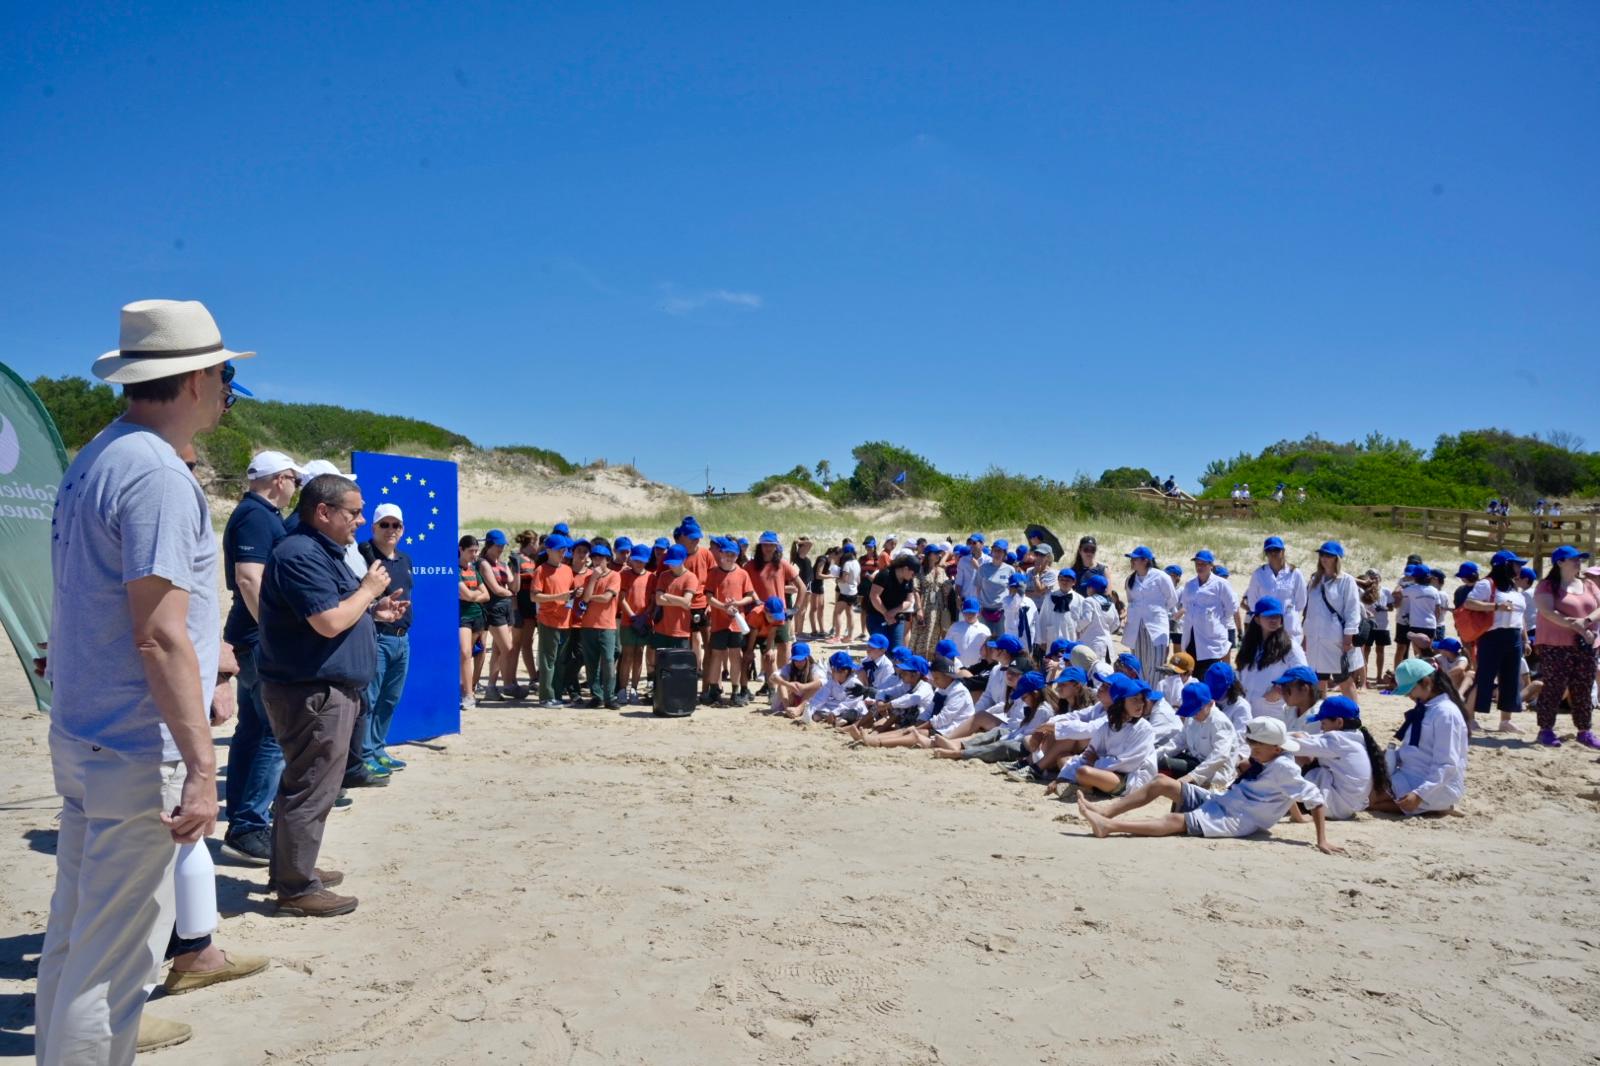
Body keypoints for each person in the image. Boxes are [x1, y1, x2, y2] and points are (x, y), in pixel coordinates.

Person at [38, 299, 257, 1061]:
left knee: (77, 936)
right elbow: (158, 634)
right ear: (196, 379)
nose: (228, 393)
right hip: (135, 745)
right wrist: (201, 766)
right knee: (112, 963)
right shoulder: (158, 472)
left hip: (85, 731)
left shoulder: (97, 456)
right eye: (225, 378)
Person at [257, 473, 407, 916]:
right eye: (354, 512)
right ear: (323, 512)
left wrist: (373, 609)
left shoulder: (321, 552)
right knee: (311, 789)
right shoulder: (301, 554)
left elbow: (337, 611)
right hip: (313, 691)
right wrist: (368, 590)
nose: (361, 520)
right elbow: (327, 622)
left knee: (304, 786)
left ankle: (292, 868)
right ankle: (297, 888)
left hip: (319, 689)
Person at [1077, 717, 1340, 854]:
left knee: (1176, 820)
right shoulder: (1273, 759)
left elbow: (1315, 799)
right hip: (1225, 800)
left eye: (1257, 747)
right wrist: (1297, 818)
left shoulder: (1284, 767)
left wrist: (1322, 840)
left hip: (1238, 819)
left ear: (1275, 748)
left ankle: (1109, 826)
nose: (1252, 751)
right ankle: (1107, 811)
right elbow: (1290, 792)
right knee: (1161, 782)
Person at [219, 449, 301, 866]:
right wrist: (274, 631)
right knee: (273, 732)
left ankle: (242, 819)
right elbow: (249, 578)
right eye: (295, 481)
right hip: (257, 638)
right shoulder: (255, 514)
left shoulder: (259, 514)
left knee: (252, 730)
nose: (296, 489)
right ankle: (249, 824)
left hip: (248, 636)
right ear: (280, 479)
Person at [356, 503, 414, 774]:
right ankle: (364, 754)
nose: (391, 530)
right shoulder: (363, 556)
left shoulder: (405, 560)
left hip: (402, 639)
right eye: (385, 524)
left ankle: (378, 749)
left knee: (390, 698)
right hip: (376, 636)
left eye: (396, 525)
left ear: (402, 529)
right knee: (369, 699)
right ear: (374, 527)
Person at [1369, 659, 1468, 816]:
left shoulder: (1446, 714)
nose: (1409, 695)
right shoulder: (1426, 708)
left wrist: (1419, 794)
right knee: (1363, 791)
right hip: (1411, 775)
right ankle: (1430, 807)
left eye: (1410, 690)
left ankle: (1435, 807)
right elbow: (1416, 750)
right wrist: (1390, 756)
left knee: (1367, 799)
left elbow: (1447, 764)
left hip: (1434, 785)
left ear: (1426, 682)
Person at [1532, 545, 1600, 749]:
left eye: (1580, 559)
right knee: (1554, 687)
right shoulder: (1547, 586)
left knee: (1583, 688)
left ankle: (1584, 730)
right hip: (1555, 645)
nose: (1579, 562)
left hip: (1586, 645)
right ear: (1560, 562)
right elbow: (1548, 612)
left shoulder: (1588, 584)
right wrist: (1577, 627)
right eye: (1574, 559)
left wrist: (1586, 622)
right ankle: (1545, 729)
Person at [1455, 550, 1527, 733]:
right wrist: (1496, 606)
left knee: (1510, 679)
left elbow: (1520, 616)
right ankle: (1469, 718)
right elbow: (1469, 603)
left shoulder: (1513, 586)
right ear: (1505, 565)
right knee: (1484, 678)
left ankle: (1505, 721)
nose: (1519, 568)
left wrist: (1525, 639)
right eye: (1516, 564)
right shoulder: (1486, 584)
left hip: (1514, 636)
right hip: (1492, 636)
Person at [1290, 695, 1382, 820]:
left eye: (1323, 723)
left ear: (1339, 722)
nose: (1321, 727)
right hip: (1349, 807)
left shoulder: (1337, 740)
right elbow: (1311, 739)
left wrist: (1270, 736)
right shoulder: (1356, 736)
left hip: (1335, 808)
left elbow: (1298, 746)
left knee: (1295, 759)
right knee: (1307, 752)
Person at [1236, 597, 1307, 722]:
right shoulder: (1249, 645)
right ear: (1257, 619)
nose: (1273, 620)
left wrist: (1278, 691)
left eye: (1277, 616)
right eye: (1268, 616)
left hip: (1274, 714)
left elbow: (1303, 674)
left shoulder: (1290, 647)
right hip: (1246, 713)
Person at [1304, 541, 1361, 700]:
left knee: (1343, 679)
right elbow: (1309, 611)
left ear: (1337, 558)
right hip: (1316, 639)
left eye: (1328, 555)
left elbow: (1352, 610)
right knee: (1318, 680)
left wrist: (1348, 637)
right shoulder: (1315, 580)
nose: (1324, 558)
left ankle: (1353, 712)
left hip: (1337, 639)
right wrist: (1306, 636)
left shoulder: (1346, 581)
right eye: (1322, 555)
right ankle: (1320, 711)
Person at [704, 537, 757, 705]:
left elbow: (750, 596)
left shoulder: (742, 573)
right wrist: (723, 607)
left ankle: (735, 691)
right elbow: (708, 597)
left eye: (733, 554)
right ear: (721, 554)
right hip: (719, 622)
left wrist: (737, 604)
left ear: (737, 556)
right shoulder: (713, 572)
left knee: (736, 656)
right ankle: (714, 690)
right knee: (717, 655)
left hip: (737, 623)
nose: (729, 557)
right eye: (727, 553)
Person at [1160, 681, 1241, 788]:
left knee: (1172, 774)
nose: (1194, 714)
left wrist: (1192, 776)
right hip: (1195, 762)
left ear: (1210, 704)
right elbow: (1178, 742)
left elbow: (1219, 756)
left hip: (1216, 773)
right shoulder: (1191, 718)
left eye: (1197, 710)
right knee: (1160, 760)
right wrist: (1153, 756)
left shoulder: (1220, 722)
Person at [527, 533, 576, 707]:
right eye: (559, 550)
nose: (562, 553)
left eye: (564, 550)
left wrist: (574, 594)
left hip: (565, 620)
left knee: (561, 660)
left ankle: (556, 694)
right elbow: (534, 596)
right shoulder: (541, 570)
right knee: (548, 660)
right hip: (548, 620)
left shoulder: (567, 570)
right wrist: (558, 597)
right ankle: (546, 696)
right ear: (548, 551)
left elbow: (569, 593)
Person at [574, 541, 623, 708]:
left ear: (608, 559)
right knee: (591, 663)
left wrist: (590, 596)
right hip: (588, 625)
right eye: (594, 558)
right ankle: (597, 696)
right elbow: (586, 598)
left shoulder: (614, 576)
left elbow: (605, 598)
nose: (597, 561)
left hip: (607, 625)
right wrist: (593, 579)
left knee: (608, 661)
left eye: (601, 558)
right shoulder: (589, 577)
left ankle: (610, 697)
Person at [1179, 549, 1240, 678]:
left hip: (1211, 641)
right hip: (1192, 638)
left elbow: (1232, 608)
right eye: (1197, 564)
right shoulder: (1190, 585)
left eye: (1203, 564)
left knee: (1209, 676)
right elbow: (1186, 605)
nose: (1199, 567)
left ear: (1211, 565)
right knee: (1192, 676)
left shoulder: (1221, 584)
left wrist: (1214, 620)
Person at [747, 531, 802, 670]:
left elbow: (801, 587)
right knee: (764, 648)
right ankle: (767, 677)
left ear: (776, 546)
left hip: (779, 613)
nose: (768, 548)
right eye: (765, 544)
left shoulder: (782, 564)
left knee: (784, 646)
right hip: (759, 613)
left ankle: (783, 676)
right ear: (760, 546)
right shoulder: (750, 565)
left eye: (771, 545)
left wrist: (795, 608)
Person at [1124, 546, 1176, 687]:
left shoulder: (1161, 577)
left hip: (1156, 628)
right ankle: (1141, 695)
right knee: (1138, 664)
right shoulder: (1130, 579)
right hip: (1136, 628)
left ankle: (1153, 696)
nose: (1132, 561)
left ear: (1145, 560)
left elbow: (1172, 599)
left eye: (1135, 559)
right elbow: (1130, 600)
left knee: (1156, 665)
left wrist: (1155, 611)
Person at [1245, 536, 1307, 646]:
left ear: (1283, 551)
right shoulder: (1259, 574)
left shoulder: (1295, 573)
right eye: (1269, 550)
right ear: (1265, 553)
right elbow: (1252, 602)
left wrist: (1288, 611)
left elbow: (1301, 602)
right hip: (1266, 628)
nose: (1273, 553)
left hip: (1289, 627)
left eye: (1276, 550)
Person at [457, 536, 489, 708]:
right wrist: (476, 594)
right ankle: (468, 694)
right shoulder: (455, 570)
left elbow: (487, 595)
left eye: (476, 551)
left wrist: (473, 595)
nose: (474, 554)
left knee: (471, 655)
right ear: (461, 549)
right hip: (462, 617)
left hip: (478, 617)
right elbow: (468, 595)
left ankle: (468, 690)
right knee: (464, 653)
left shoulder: (473, 570)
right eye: (471, 551)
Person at [866, 553, 920, 649]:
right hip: (877, 617)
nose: (914, 577)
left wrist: (894, 611)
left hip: (896, 619)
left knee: (896, 649)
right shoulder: (885, 575)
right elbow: (874, 596)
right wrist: (886, 613)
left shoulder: (908, 580)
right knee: (879, 648)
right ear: (906, 569)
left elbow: (909, 601)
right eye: (913, 573)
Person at [910, 544, 953, 657]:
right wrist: (919, 609)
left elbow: (946, 590)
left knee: (934, 634)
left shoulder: (941, 571)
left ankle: (930, 658)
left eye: (939, 553)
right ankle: (917, 658)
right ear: (929, 555)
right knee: (920, 633)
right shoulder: (920, 571)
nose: (939, 555)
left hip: (937, 608)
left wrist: (949, 583)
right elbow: (916, 590)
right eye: (936, 553)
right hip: (924, 606)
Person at [975, 539, 1015, 635]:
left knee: (1001, 640)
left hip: (1002, 611)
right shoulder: (983, 568)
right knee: (984, 639)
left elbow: (1012, 591)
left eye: (1000, 551)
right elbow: (978, 588)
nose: (997, 553)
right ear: (991, 552)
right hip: (984, 611)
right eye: (995, 550)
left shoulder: (1010, 570)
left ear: (1004, 554)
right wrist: (979, 606)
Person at [943, 597, 991, 667]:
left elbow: (988, 651)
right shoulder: (955, 627)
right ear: (963, 612)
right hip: (957, 667)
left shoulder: (984, 630)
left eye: (973, 613)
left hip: (977, 667)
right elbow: (947, 645)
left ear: (978, 613)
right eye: (967, 612)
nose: (969, 615)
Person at [831, 543, 862, 642]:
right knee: (850, 614)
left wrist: (837, 580)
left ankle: (837, 636)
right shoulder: (857, 563)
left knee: (837, 613)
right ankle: (850, 636)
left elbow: (844, 579)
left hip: (845, 592)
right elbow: (858, 580)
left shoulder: (847, 564)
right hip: (854, 591)